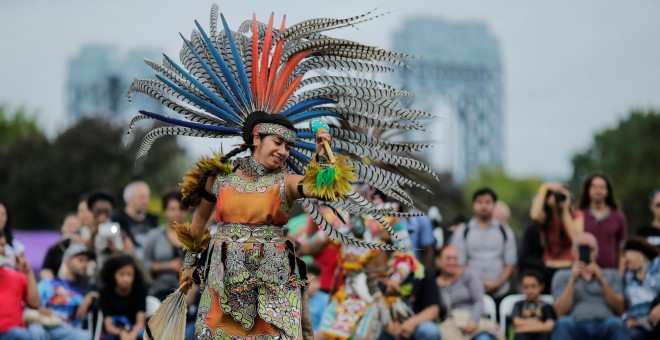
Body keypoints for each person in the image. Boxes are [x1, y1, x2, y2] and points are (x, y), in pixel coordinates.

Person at [128, 6, 434, 339]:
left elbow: (323, 188)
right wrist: (189, 263)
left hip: (273, 284)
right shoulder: (218, 179)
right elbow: (199, 225)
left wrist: (324, 147)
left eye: (288, 147)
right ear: (256, 138)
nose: (283, 152)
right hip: (223, 280)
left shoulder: (285, 184)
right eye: (277, 143)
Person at [551, 232, 628, 339]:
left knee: (616, 323)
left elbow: (620, 309)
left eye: (590, 249)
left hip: (605, 324)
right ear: (573, 252)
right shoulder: (562, 276)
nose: (586, 253)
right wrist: (572, 281)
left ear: (596, 252)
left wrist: (601, 281)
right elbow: (560, 312)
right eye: (581, 248)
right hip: (575, 325)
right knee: (563, 324)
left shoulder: (612, 274)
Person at [452, 188, 517, 305]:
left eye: (487, 202)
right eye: (479, 202)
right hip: (470, 291)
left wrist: (497, 283)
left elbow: (510, 263)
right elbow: (459, 262)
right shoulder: (463, 231)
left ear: (494, 205)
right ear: (473, 205)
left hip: (500, 292)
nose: (483, 206)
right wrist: (477, 283)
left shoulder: (505, 232)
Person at [436, 244, 503, 340]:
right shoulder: (435, 284)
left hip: (475, 322)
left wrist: (473, 321)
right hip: (450, 326)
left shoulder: (469, 275)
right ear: (438, 261)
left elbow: (479, 300)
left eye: (455, 258)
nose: (452, 262)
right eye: (448, 258)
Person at [528, 182, 584, 292]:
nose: (559, 196)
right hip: (547, 268)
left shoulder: (576, 215)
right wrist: (544, 189)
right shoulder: (545, 216)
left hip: (569, 267)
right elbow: (534, 215)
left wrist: (564, 209)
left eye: (562, 193)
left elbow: (576, 238)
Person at [36, 243, 98, 339]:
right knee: (35, 330)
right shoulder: (48, 283)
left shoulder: (87, 287)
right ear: (67, 261)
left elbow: (105, 293)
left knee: (84, 336)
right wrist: (40, 309)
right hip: (46, 324)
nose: (85, 264)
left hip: (69, 330)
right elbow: (33, 304)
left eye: (87, 261)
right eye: (80, 260)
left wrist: (91, 297)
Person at [578, 173, 627, 270]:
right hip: (585, 272)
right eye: (594, 187)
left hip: (610, 272)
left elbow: (621, 249)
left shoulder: (618, 216)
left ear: (607, 191)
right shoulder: (580, 215)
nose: (598, 191)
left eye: (602, 187)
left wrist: (620, 274)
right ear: (588, 190)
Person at [143, 189, 185, 301]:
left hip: (186, 292)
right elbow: (144, 264)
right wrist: (167, 266)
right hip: (159, 292)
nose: (177, 213)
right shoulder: (155, 236)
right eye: (172, 209)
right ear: (165, 211)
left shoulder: (193, 236)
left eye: (181, 209)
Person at [0, 230, 40, 340]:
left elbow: (35, 304)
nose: (1, 249)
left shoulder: (17, 276)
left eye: (2, 245)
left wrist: (29, 272)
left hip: (13, 333)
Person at [99, 254, 147, 340]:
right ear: (113, 275)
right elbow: (108, 325)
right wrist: (121, 333)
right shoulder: (105, 292)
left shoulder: (140, 290)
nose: (126, 279)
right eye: (122, 274)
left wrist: (133, 334)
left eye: (129, 275)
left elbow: (140, 322)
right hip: (115, 331)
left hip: (135, 331)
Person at [621, 237, 660, 339]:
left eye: (626, 255)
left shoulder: (658, 265)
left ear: (639, 254)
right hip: (639, 325)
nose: (624, 260)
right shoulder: (628, 277)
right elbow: (626, 307)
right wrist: (627, 319)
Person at [113, 181, 158, 253]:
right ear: (129, 199)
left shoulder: (153, 219)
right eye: (141, 198)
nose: (145, 201)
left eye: (147, 197)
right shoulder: (117, 221)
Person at [511, 270, 556, 340]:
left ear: (542, 286)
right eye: (526, 287)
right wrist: (540, 324)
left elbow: (549, 326)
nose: (529, 290)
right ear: (521, 288)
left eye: (533, 286)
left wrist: (523, 327)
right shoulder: (518, 304)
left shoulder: (547, 306)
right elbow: (517, 323)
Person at [40, 213, 82, 280]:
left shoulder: (84, 250)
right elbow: (45, 271)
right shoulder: (54, 250)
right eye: (69, 225)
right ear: (62, 227)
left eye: (75, 226)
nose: (72, 229)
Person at [306, 263, 329, 334]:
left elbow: (324, 330)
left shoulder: (325, 300)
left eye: (317, 281)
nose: (317, 286)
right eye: (311, 281)